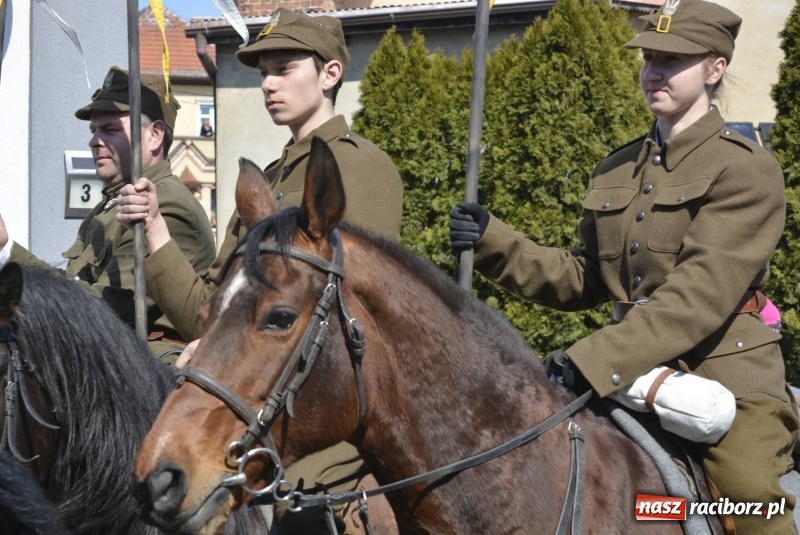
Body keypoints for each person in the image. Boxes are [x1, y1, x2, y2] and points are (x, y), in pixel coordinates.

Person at [449, 1, 798, 533]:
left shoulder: (745, 170)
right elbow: (587, 276)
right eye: (649, 57)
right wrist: (495, 241)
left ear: (715, 68)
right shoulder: (616, 166)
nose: (653, 71)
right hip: (631, 371)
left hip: (725, 372)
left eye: (672, 59)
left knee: (750, 501)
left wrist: (590, 359)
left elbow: (697, 297)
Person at [115, 8, 403, 534]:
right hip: (249, 416)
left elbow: (345, 316)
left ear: (330, 73)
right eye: (263, 72)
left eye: (284, 68)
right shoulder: (262, 183)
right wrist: (155, 227)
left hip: (317, 454)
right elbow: (207, 314)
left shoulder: (361, 168)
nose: (268, 83)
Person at [0, 66, 216, 359]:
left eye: (110, 130)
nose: (94, 141)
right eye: (93, 131)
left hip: (145, 373)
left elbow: (99, 309)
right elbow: (71, 289)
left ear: (154, 135)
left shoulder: (166, 206)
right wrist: (5, 248)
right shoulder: (113, 204)